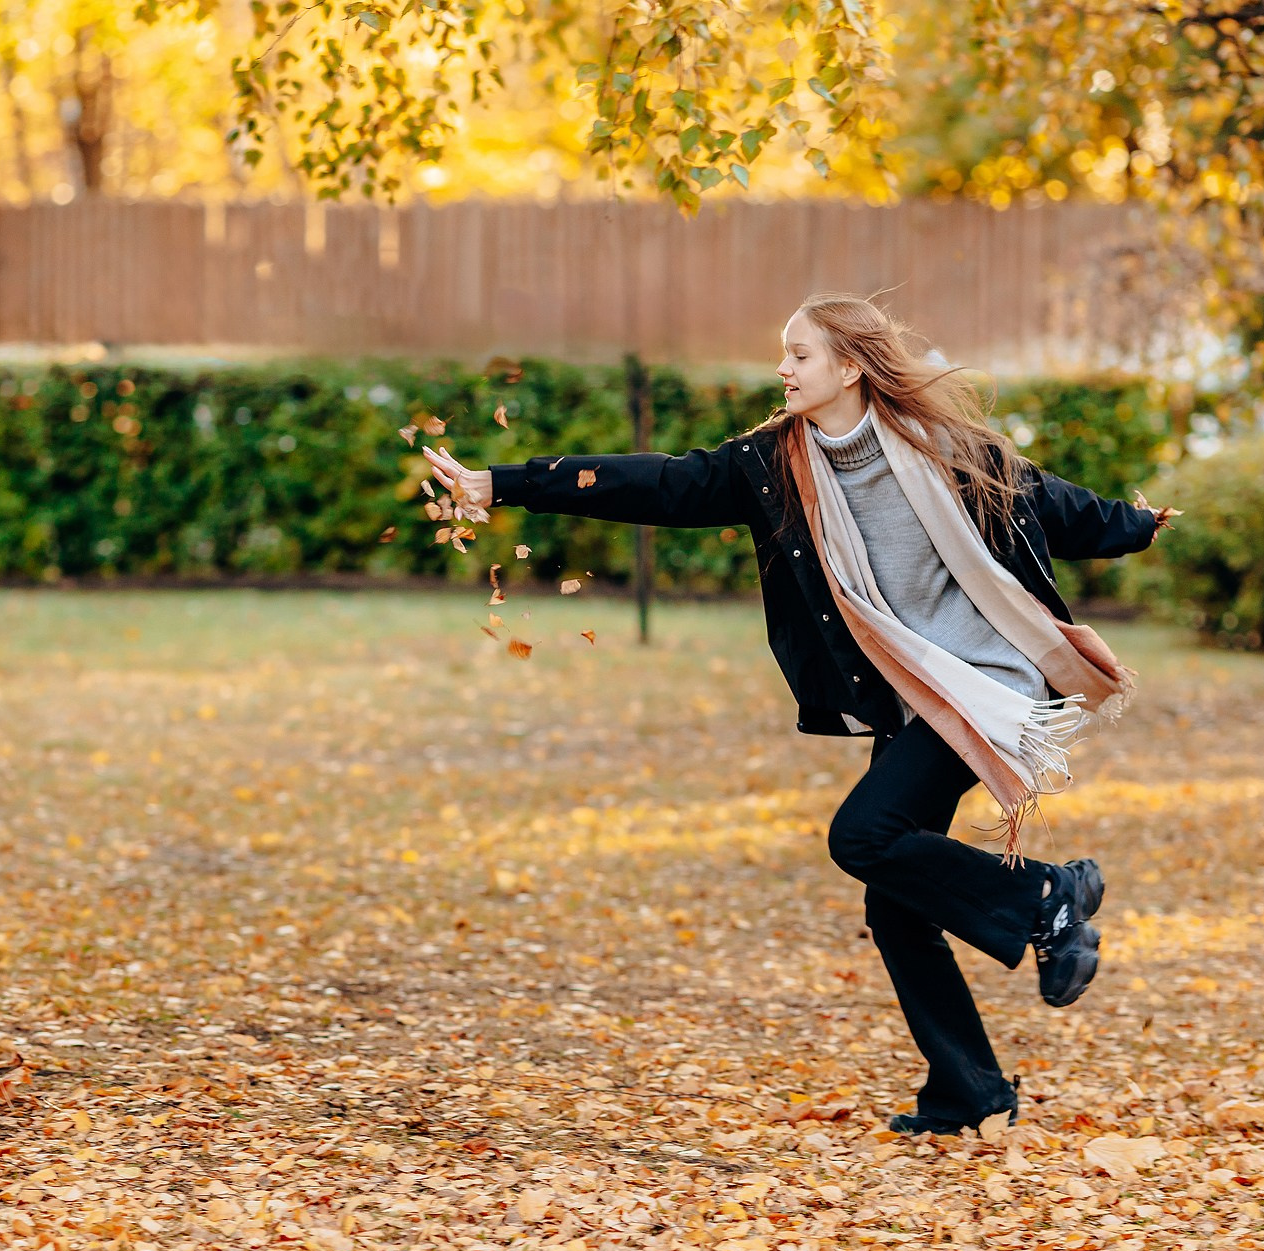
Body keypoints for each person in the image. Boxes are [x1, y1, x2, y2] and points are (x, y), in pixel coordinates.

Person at [424, 293, 1179, 1135]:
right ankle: (971, 1095)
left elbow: (1053, 504)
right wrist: (506, 484)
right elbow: (660, 484)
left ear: (850, 368)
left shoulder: (949, 451)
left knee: (862, 838)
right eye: (784, 354)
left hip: (983, 685)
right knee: (894, 902)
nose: (782, 369)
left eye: (800, 354)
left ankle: (1047, 895)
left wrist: (1135, 525)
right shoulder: (772, 466)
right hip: (913, 694)